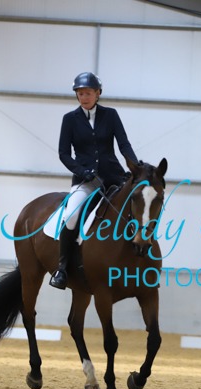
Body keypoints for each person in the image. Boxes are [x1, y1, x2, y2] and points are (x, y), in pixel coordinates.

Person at [49, 71, 140, 289]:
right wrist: (82, 171)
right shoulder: (69, 120)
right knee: (72, 215)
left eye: (88, 93)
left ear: (98, 93)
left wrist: (135, 167)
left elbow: (124, 144)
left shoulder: (111, 115)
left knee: (136, 206)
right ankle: (62, 268)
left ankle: (137, 260)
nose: (84, 97)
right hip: (86, 180)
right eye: (80, 93)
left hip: (114, 177)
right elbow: (63, 154)